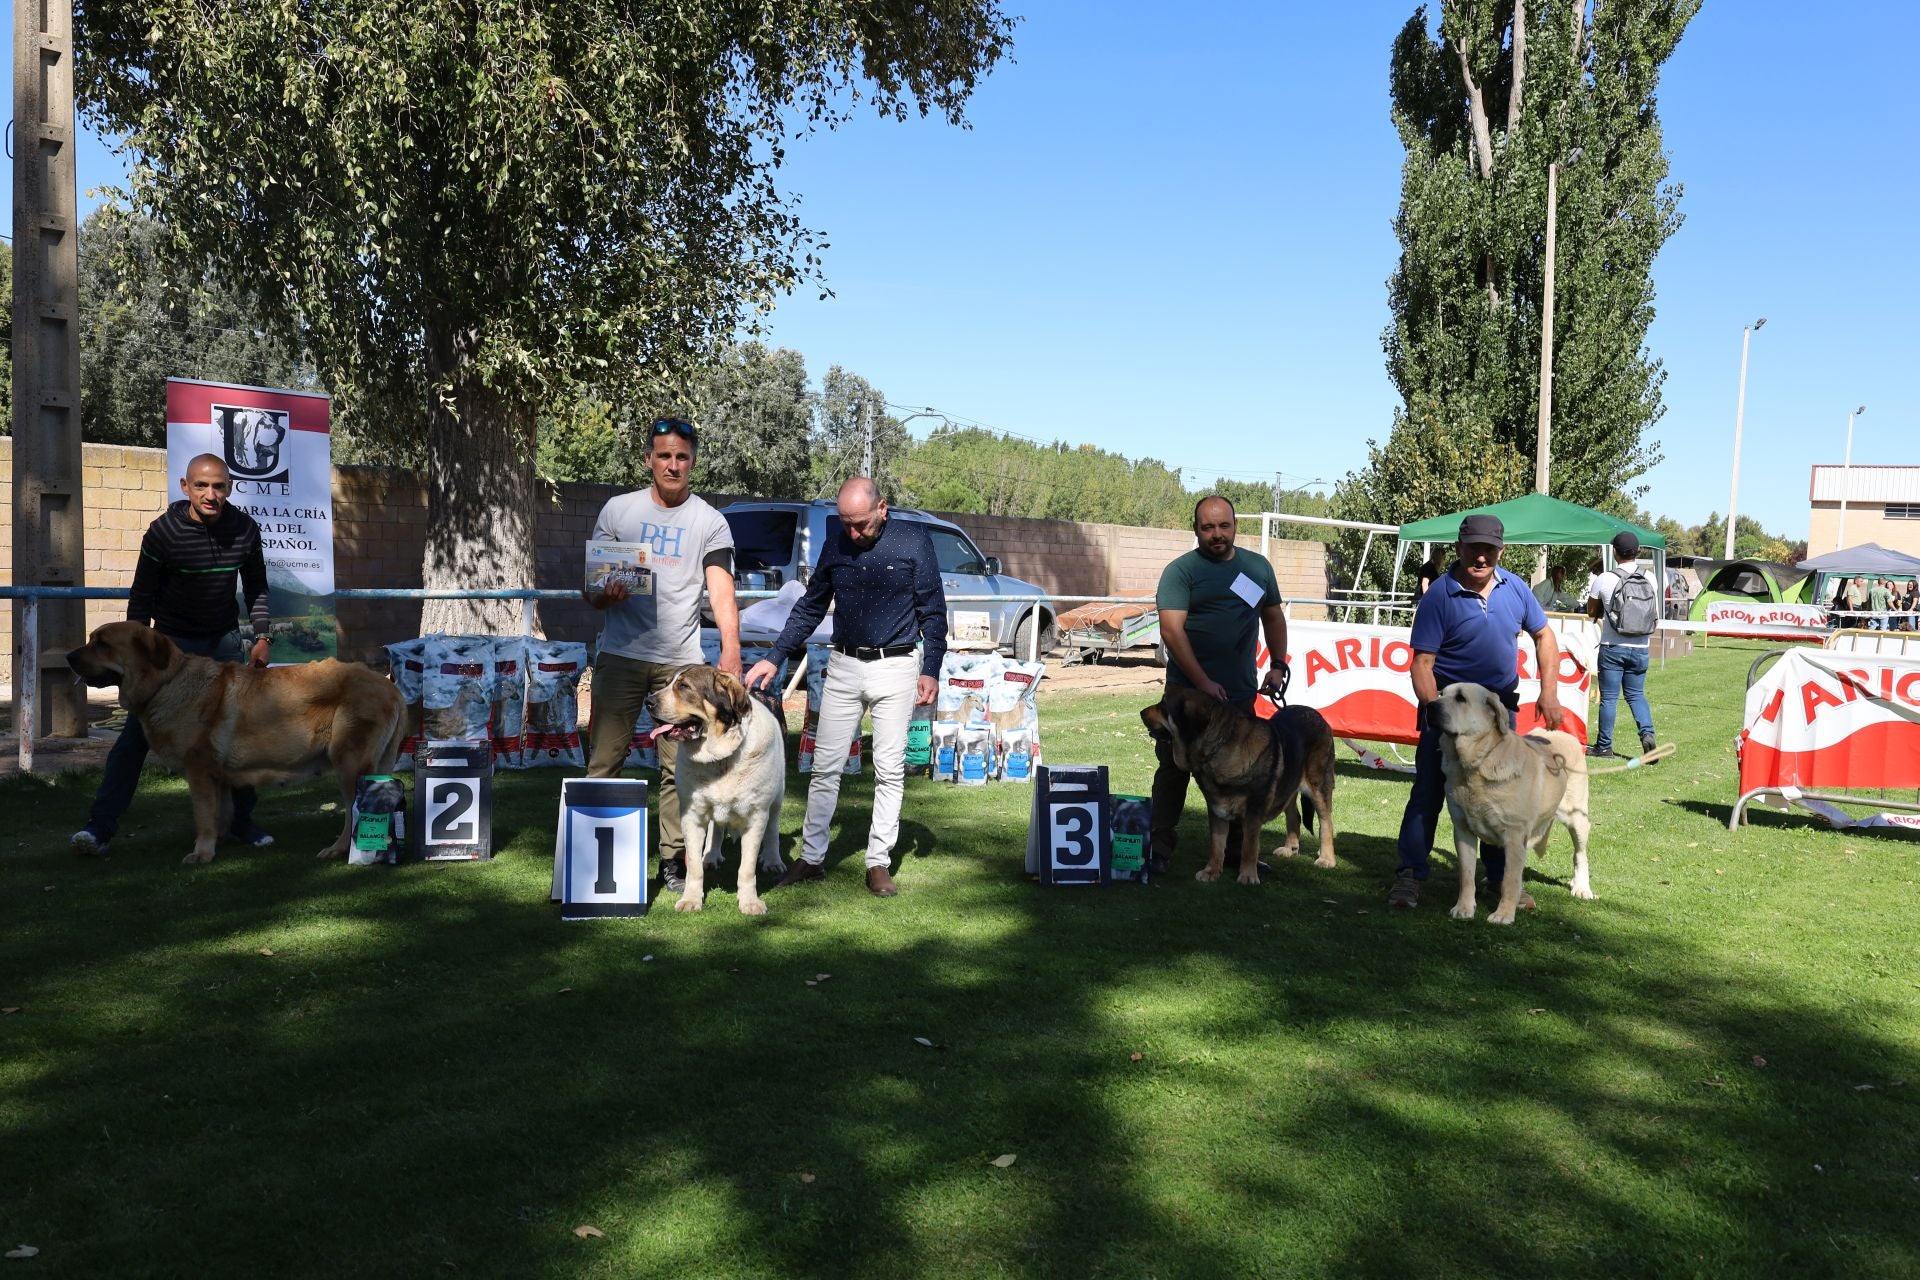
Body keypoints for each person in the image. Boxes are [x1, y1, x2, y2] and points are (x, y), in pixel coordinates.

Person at [749, 477, 946, 898]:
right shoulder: (836, 543)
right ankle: (812, 858)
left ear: (882, 509)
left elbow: (934, 610)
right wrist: (775, 654)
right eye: (845, 523)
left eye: (860, 524)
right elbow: (811, 605)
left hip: (897, 665)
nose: (852, 533)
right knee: (824, 768)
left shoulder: (914, 541)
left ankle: (878, 862)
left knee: (889, 770)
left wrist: (931, 668)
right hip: (842, 664)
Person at [71, 454, 275, 856]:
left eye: (218, 486)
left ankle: (239, 823)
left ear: (229, 488)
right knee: (135, 739)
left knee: (240, 737)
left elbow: (257, 588)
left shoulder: (245, 530)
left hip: (224, 642)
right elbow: (141, 597)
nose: (210, 494)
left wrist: (263, 636)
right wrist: (136, 654)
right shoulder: (163, 532)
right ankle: (99, 828)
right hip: (170, 650)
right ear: (185, 487)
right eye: (201, 486)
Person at [583, 417, 740, 894]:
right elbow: (589, 592)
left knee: (678, 769)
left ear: (692, 462)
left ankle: (675, 860)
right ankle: (590, 860)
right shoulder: (617, 511)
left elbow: (721, 592)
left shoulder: (710, 521)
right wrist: (605, 594)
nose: (673, 464)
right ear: (649, 459)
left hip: (681, 667)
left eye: (682, 457)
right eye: (664, 455)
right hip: (620, 655)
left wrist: (730, 652)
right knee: (605, 760)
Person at [1388, 513, 1566, 910]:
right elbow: (1421, 664)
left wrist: (1549, 692)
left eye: (1489, 550)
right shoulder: (1440, 596)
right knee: (1429, 794)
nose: (1481, 558)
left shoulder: (1517, 589)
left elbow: (1544, 635)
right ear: (1458, 547)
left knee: (1505, 799)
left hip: (1499, 719)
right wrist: (1438, 713)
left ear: (1500, 551)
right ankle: (1409, 875)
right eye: (1474, 549)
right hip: (1450, 718)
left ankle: (1502, 882)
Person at [1148, 494, 1290, 876]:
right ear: (1195, 529)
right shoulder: (1181, 572)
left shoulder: (1256, 569)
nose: (1217, 534)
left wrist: (1278, 664)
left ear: (1235, 526)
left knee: (1246, 773)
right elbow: (1172, 632)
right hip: (1187, 698)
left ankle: (1239, 854)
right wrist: (1203, 682)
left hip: (1238, 695)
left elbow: (1273, 617)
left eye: (1223, 526)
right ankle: (1158, 846)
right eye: (1208, 527)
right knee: (1175, 769)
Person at [1585, 531, 1658, 760]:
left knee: (1608, 698)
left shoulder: (1605, 579)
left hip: (1612, 646)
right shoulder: (1651, 578)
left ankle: (1604, 746)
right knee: (1636, 695)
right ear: (1638, 552)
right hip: (1641, 647)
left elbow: (1591, 612)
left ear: (1614, 552)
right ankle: (1647, 734)